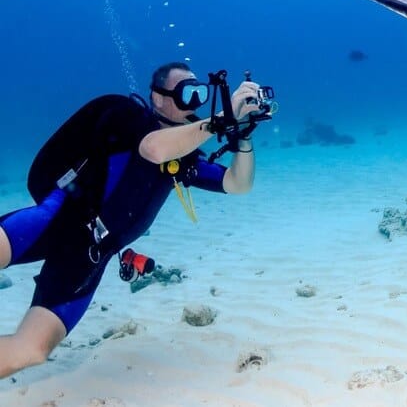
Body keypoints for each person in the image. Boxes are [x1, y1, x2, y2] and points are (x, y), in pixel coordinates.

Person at [0, 61, 263, 378]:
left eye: (200, 94)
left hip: (89, 258)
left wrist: (243, 138)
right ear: (158, 98)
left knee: (31, 350)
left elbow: (238, 183)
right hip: (57, 220)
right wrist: (222, 120)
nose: (194, 102)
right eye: (186, 93)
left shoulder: (184, 158)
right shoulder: (127, 115)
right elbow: (153, 148)